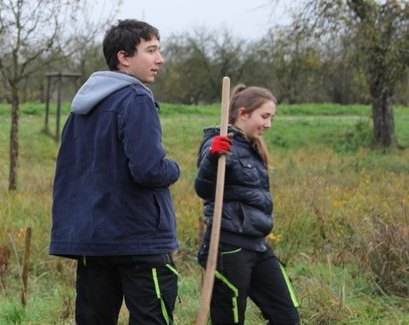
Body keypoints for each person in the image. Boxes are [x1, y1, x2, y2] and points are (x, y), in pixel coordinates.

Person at [49, 19, 180, 325]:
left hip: (92, 238)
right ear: (124, 57)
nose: (159, 59)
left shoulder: (81, 107)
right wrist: (174, 169)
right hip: (138, 237)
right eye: (151, 50)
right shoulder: (135, 98)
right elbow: (149, 170)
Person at [195, 84, 300, 324]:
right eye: (264, 116)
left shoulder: (252, 147)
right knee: (229, 319)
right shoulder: (217, 141)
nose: (268, 124)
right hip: (228, 247)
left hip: (258, 246)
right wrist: (212, 158)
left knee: (287, 315)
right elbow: (203, 188)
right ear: (243, 113)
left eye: (271, 118)